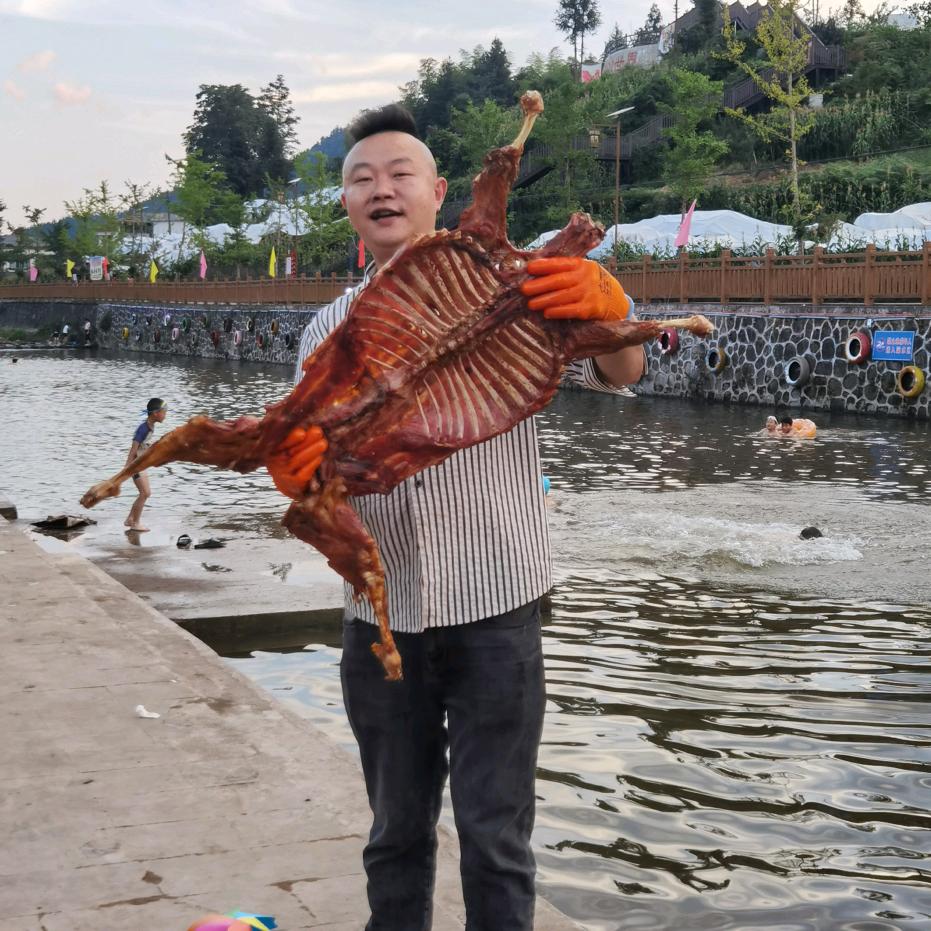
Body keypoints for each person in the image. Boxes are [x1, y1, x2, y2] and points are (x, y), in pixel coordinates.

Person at [265, 103, 645, 931]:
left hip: (497, 614)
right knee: (395, 832)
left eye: (399, 174)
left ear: (438, 191)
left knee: (495, 835)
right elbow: (312, 477)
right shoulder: (325, 333)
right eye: (361, 178)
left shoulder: (514, 288)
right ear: (347, 207)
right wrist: (296, 475)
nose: (381, 189)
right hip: (381, 622)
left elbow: (622, 370)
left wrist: (603, 304)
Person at [124, 398, 167, 531]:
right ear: (155, 413)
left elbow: (144, 447)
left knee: (145, 493)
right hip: (135, 465)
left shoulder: (150, 426)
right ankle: (135, 523)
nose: (165, 414)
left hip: (141, 464)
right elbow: (134, 448)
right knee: (145, 493)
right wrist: (127, 468)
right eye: (164, 412)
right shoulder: (143, 429)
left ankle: (130, 519)